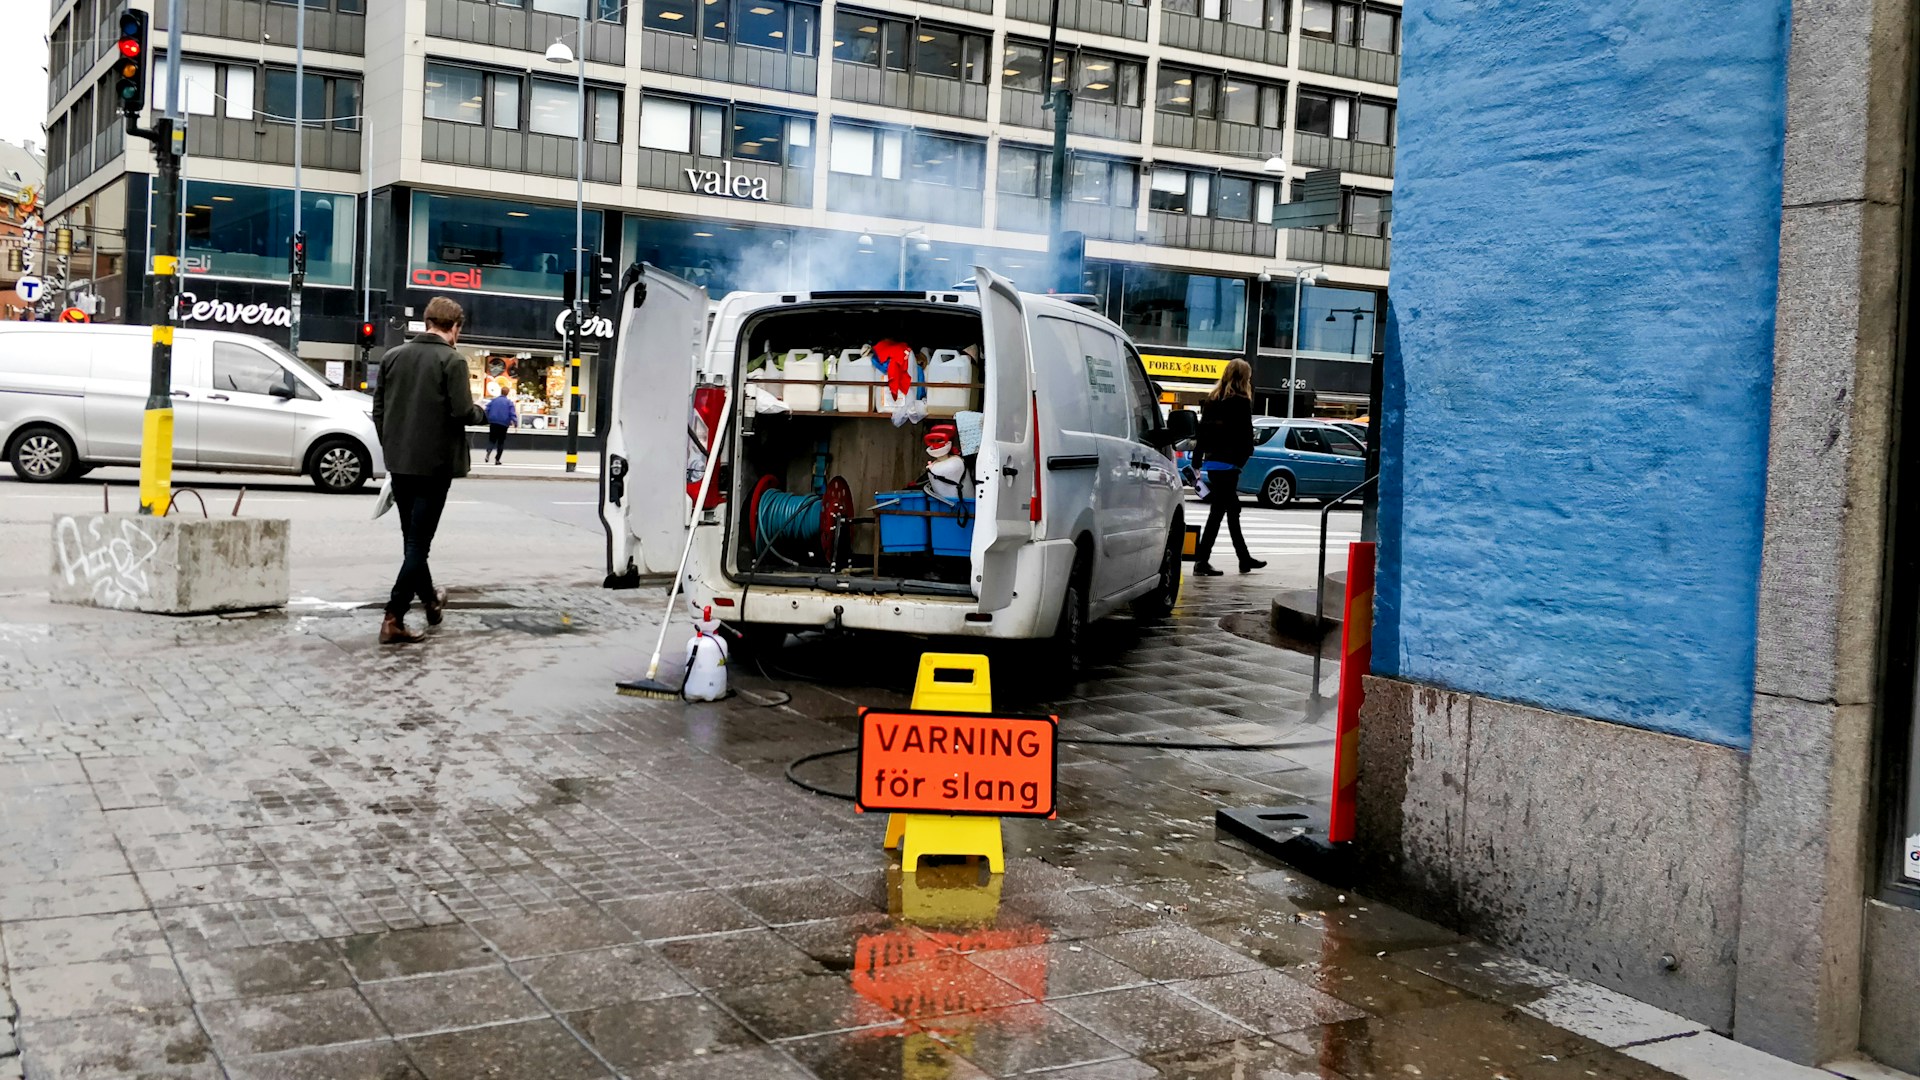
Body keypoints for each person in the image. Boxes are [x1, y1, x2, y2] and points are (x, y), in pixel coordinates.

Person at [371, 296, 486, 644]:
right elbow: (463, 412)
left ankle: (431, 603)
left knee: (412, 542)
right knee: (419, 544)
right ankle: (393, 616)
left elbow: (378, 411)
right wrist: (483, 413)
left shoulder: (393, 357)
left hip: (401, 463)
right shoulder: (451, 361)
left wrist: (392, 446)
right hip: (435, 467)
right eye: (458, 330)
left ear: (426, 321)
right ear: (454, 328)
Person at [1191, 359, 1267, 577]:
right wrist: (1241, 460)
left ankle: (1243, 559)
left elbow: (1202, 434)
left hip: (1213, 464)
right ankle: (1202, 561)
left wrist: (1197, 462)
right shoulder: (1241, 402)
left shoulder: (1212, 400)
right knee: (1218, 513)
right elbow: (1246, 437)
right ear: (1244, 378)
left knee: (1232, 509)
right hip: (1230, 465)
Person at [483, 390, 517, 464]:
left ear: (500, 391)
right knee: (501, 442)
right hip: (504, 424)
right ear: (507, 393)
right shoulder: (509, 403)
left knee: (492, 439)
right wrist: (515, 422)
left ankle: (488, 452)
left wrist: (488, 419)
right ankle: (497, 459)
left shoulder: (494, 400)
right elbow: (512, 413)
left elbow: (486, 409)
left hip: (493, 423)